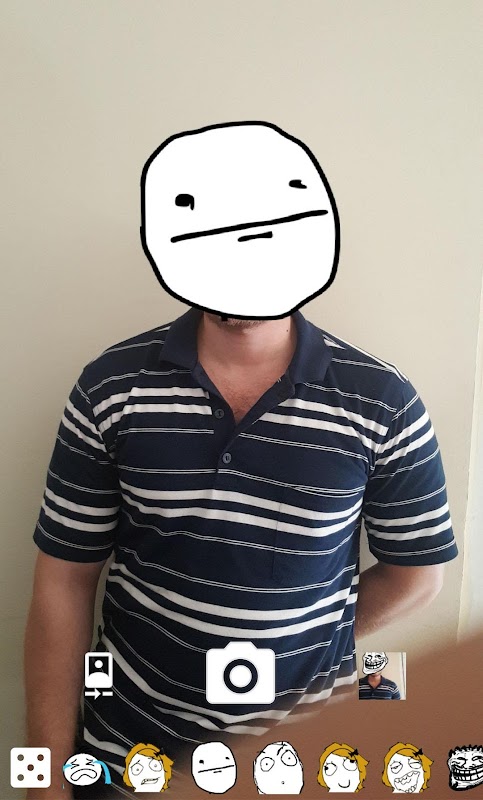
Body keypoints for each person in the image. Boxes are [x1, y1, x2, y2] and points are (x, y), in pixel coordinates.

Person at [24, 122, 458, 799]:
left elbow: (418, 574)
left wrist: (317, 644)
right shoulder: (111, 386)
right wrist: (44, 779)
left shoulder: (382, 400)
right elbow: (63, 581)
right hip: (126, 757)